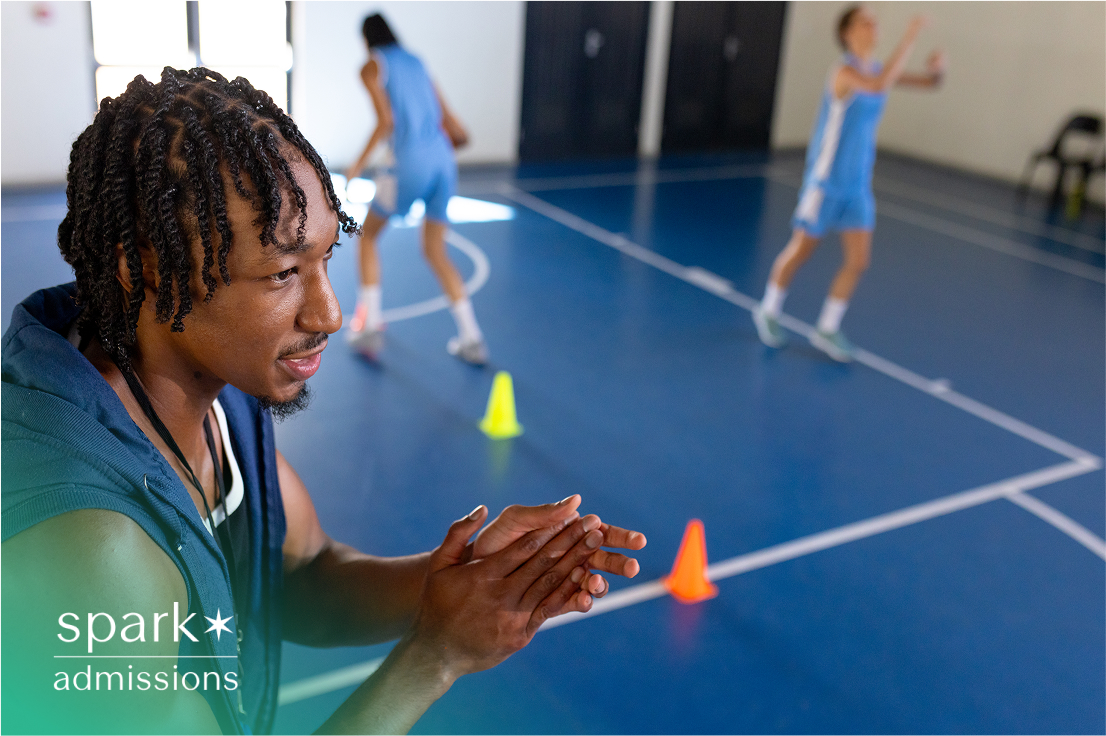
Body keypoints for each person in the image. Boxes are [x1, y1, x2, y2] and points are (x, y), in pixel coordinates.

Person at [1, 68, 646, 734]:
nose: (331, 313)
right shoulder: (88, 545)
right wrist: (436, 656)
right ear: (145, 268)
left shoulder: (215, 383)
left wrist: (459, 579)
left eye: (325, 259)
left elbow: (302, 574)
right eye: (281, 273)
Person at [753, 6, 945, 362]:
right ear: (847, 33)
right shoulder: (844, 72)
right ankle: (768, 309)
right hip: (825, 183)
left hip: (857, 186)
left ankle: (826, 328)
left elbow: (927, 83)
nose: (873, 26)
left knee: (859, 260)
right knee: (801, 251)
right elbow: (878, 86)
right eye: (865, 22)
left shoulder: (877, 69)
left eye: (875, 21)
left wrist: (938, 70)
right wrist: (911, 37)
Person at [344, 14, 485, 364]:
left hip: (408, 163)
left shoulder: (371, 66)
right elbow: (451, 121)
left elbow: (386, 122)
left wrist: (356, 166)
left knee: (368, 237)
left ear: (366, 39)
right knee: (436, 249)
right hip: (443, 160)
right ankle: (472, 337)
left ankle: (371, 326)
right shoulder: (417, 61)